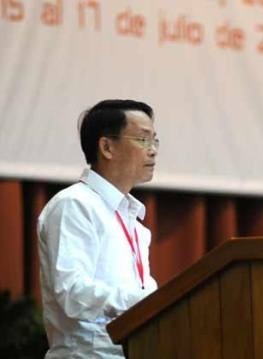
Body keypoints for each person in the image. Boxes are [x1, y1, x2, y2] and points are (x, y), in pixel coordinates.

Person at [38, 99, 159, 358]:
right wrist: (147, 301)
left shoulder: (133, 221)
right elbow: (71, 292)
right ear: (107, 147)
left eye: (154, 141)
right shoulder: (74, 205)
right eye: (142, 140)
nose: (153, 151)